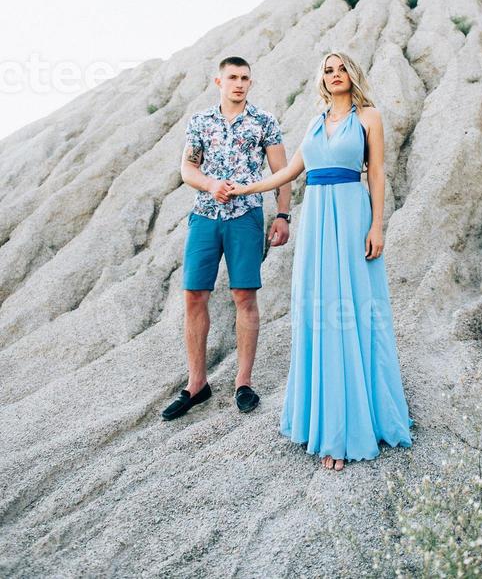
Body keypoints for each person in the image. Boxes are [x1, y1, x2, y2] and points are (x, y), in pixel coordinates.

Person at [226, 50, 413, 469]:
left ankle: (349, 430)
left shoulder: (369, 117)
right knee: (321, 314)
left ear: (353, 73)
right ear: (322, 79)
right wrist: (245, 189)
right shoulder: (314, 122)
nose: (335, 75)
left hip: (351, 216)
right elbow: (290, 171)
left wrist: (377, 225)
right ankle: (324, 422)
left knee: (352, 312)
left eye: (342, 67)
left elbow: (378, 172)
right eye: (328, 70)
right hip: (316, 223)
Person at [161, 56, 292, 421]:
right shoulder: (200, 121)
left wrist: (282, 215)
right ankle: (196, 384)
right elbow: (188, 168)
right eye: (232, 77)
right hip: (205, 215)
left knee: (244, 296)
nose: (239, 83)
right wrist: (211, 184)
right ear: (219, 81)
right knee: (193, 295)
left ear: (250, 83)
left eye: (245, 78)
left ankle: (243, 382)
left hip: (246, 215)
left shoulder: (264, 121)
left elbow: (281, 172)